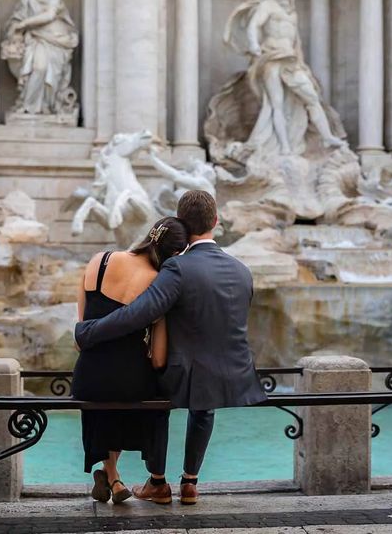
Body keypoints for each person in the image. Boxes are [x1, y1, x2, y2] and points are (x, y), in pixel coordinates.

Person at [75, 190, 265, 505]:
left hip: (180, 371)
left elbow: (137, 314)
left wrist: (88, 332)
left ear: (181, 223)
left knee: (157, 395)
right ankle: (190, 483)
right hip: (232, 372)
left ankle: (158, 482)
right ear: (215, 222)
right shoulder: (241, 270)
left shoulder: (177, 269)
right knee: (202, 407)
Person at [71, 216, 189, 505]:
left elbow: (81, 331)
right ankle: (136, 477)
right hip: (130, 381)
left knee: (102, 386)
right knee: (137, 388)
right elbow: (159, 358)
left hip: (88, 376)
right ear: (174, 255)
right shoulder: (157, 284)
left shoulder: (99, 260)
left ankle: (111, 475)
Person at [224, 0, 344, 155]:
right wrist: (254, 44)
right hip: (271, 58)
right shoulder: (268, 5)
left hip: (291, 61)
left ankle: (327, 136)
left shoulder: (293, 14)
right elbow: (254, 25)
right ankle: (285, 146)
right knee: (276, 104)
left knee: (311, 97)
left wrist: (302, 64)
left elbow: (296, 43)